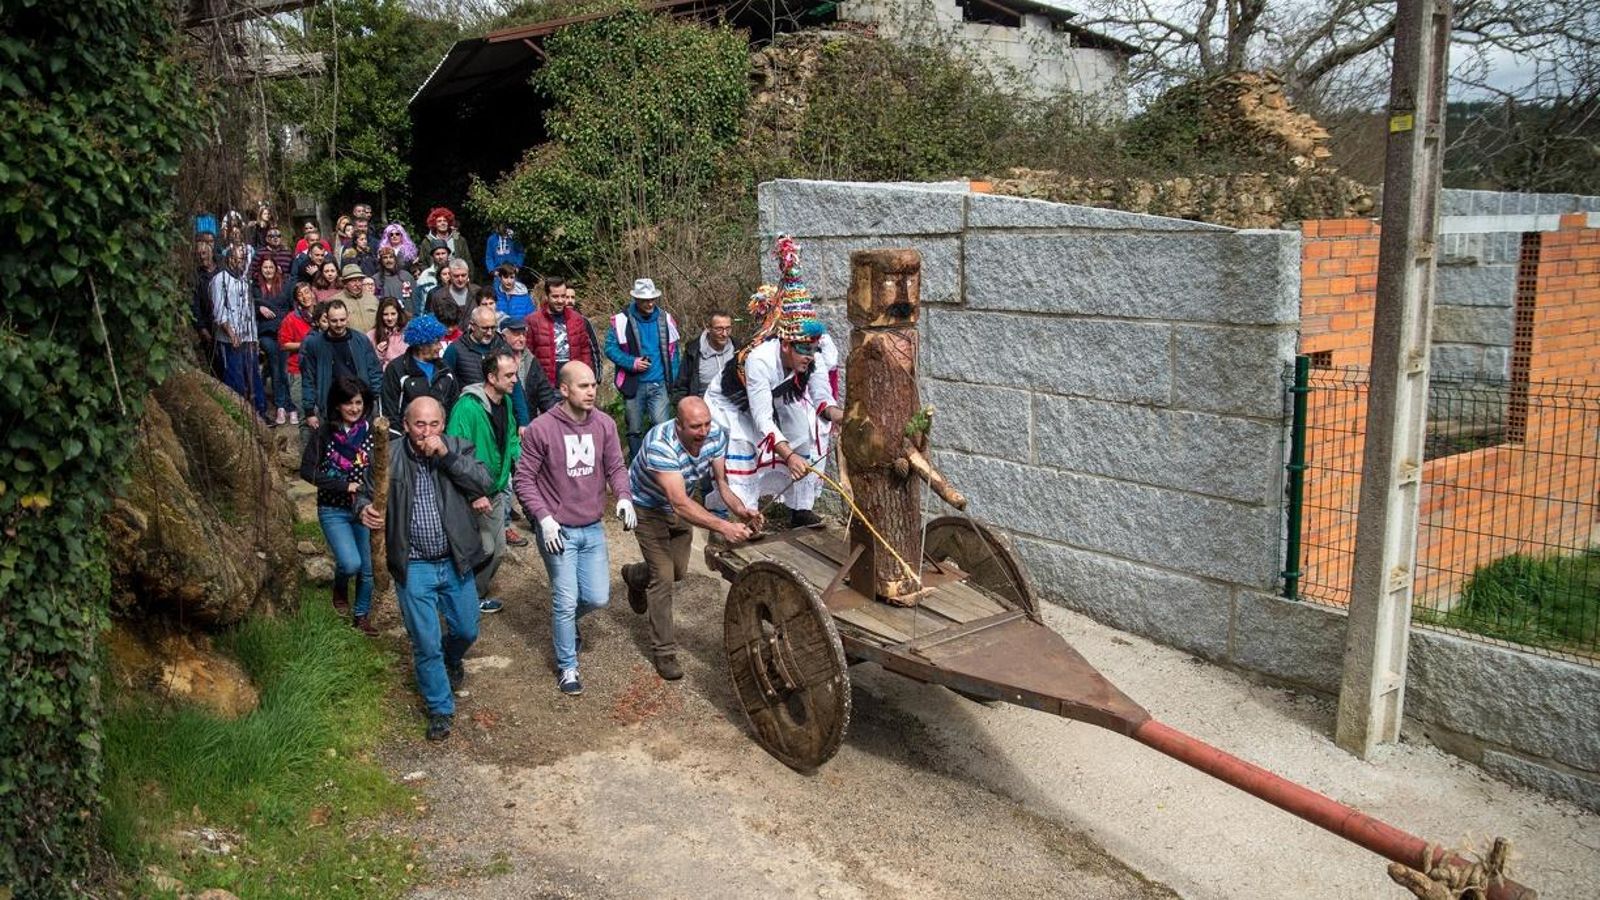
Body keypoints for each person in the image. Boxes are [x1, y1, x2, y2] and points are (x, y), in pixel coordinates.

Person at [362, 396, 492, 742]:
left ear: (443, 425)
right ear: (405, 426)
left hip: (454, 560)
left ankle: (453, 658)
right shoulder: (388, 456)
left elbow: (483, 482)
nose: (427, 432)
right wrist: (363, 508)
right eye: (420, 424)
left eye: (434, 424)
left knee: (466, 630)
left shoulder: (457, 448)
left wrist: (446, 457)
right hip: (414, 564)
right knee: (425, 642)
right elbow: (364, 492)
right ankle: (440, 709)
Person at [704, 238, 842, 528]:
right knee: (747, 444)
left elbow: (821, 396)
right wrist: (787, 455)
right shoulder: (760, 360)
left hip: (777, 397)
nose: (809, 356)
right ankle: (746, 515)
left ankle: (800, 508)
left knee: (803, 433)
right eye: (803, 350)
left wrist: (840, 415)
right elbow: (762, 418)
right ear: (785, 345)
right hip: (733, 403)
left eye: (813, 349)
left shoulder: (810, 355)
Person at [514, 361, 632, 695]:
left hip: (592, 526)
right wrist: (543, 517)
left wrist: (623, 495)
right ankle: (568, 667)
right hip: (557, 530)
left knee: (596, 597)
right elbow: (523, 480)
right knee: (566, 600)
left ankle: (564, 624)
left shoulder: (605, 424)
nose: (592, 391)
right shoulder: (541, 428)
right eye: (583, 386)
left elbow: (615, 466)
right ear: (564, 390)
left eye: (593, 385)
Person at [620, 398, 759, 680]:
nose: (704, 431)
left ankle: (634, 576)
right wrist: (723, 527)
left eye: (706, 423)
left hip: (681, 504)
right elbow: (680, 503)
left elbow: (721, 483)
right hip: (648, 508)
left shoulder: (716, 434)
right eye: (696, 426)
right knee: (663, 577)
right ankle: (664, 652)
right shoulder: (661, 445)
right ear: (678, 425)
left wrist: (741, 510)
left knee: (678, 571)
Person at [300, 376, 380, 635]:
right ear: (337, 405)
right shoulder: (324, 432)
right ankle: (340, 584)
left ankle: (361, 616)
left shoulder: (373, 432)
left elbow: (384, 469)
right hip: (333, 508)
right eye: (348, 403)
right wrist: (343, 485)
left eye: (358, 402)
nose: (354, 408)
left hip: (365, 508)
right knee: (350, 563)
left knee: (367, 569)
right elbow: (307, 471)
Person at [445, 350, 522, 616]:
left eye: (515, 374)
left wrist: (520, 462)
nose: (514, 380)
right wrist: (473, 492)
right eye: (509, 375)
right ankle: (460, 597)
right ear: (491, 377)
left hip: (497, 488)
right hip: (472, 492)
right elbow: (454, 452)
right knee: (482, 547)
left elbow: (511, 435)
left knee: (497, 549)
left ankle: (473, 595)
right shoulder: (466, 408)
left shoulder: (507, 402)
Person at [605, 277, 681, 459]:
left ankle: (662, 463)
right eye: (645, 300)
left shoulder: (666, 319)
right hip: (634, 384)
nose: (649, 303)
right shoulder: (621, 320)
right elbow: (610, 348)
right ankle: (637, 466)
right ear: (636, 299)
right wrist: (632, 362)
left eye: (652, 299)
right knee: (634, 429)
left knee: (662, 427)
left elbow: (674, 352)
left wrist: (674, 380)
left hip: (660, 383)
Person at [301, 299, 383, 431]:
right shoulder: (314, 344)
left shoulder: (361, 340)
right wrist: (309, 411)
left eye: (342, 320)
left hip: (360, 402)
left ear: (348, 317)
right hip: (330, 405)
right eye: (334, 321)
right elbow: (308, 378)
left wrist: (373, 397)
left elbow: (374, 370)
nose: (339, 324)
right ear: (327, 319)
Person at [381, 313, 459, 437]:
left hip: (440, 440)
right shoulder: (397, 369)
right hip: (407, 442)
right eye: (436, 342)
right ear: (421, 344)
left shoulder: (445, 369)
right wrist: (401, 442)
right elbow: (389, 411)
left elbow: (454, 406)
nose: (440, 347)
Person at [212, 245, 267, 416]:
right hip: (230, 340)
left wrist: (254, 337)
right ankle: (238, 414)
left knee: (253, 376)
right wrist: (231, 333)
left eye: (243, 259)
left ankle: (260, 412)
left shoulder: (244, 280)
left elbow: (250, 310)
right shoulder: (219, 280)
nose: (242, 263)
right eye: (238, 259)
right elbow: (219, 311)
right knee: (235, 378)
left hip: (248, 337)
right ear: (229, 259)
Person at [525, 276, 600, 393]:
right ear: (547, 296)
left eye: (563, 296)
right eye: (555, 296)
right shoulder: (533, 320)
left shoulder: (577, 319)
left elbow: (585, 350)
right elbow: (528, 353)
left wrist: (586, 376)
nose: (560, 300)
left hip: (573, 382)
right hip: (546, 385)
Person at [254, 256, 296, 426]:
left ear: (276, 268)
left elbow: (290, 307)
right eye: (265, 268)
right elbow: (251, 303)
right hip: (266, 333)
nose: (268, 270)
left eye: (271, 267)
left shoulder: (285, 286)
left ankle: (291, 406)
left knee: (285, 368)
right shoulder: (256, 288)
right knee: (276, 364)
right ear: (261, 270)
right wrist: (259, 307)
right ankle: (280, 405)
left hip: (284, 332)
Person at [278, 282, 317, 425]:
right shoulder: (291, 318)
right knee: (305, 413)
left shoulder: (321, 313)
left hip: (319, 368)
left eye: (306, 292)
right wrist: (305, 345)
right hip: (298, 369)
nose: (304, 297)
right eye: (300, 295)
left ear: (312, 293)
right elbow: (284, 344)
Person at [676, 310, 736, 399]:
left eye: (728, 328)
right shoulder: (693, 351)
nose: (724, 334)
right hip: (703, 408)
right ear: (708, 328)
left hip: (732, 407)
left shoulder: (738, 349)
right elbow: (681, 388)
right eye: (719, 329)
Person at [424, 207, 471, 276]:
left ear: (449, 223)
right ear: (434, 224)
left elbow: (468, 260)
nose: (442, 223)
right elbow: (423, 263)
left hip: (458, 278)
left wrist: (468, 279)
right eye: (439, 221)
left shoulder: (459, 240)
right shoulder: (427, 242)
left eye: (445, 221)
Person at [338, 263, 380, 334]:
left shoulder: (373, 299)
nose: (357, 284)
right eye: (353, 281)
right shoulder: (337, 301)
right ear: (344, 283)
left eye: (360, 280)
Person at [369, 297, 410, 369]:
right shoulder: (372, 335)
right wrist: (378, 353)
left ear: (399, 314)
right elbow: (370, 364)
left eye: (393, 314)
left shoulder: (408, 331)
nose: (389, 318)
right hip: (386, 376)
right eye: (385, 314)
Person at [377, 246, 418, 315]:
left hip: (408, 317)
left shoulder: (406, 276)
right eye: (385, 258)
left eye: (391, 257)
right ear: (381, 261)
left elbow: (415, 298)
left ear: (395, 259)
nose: (388, 260)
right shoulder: (376, 279)